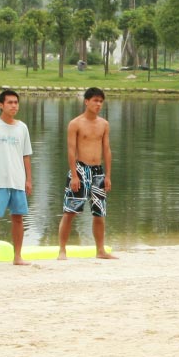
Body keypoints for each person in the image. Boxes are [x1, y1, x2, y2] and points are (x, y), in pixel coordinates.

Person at [58, 87, 116, 259]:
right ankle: (62, 250)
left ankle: (100, 250)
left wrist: (108, 175)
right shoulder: (75, 123)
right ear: (86, 101)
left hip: (98, 171)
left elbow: (107, 150)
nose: (98, 104)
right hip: (80, 169)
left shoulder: (104, 124)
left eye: (101, 101)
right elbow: (70, 151)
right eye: (95, 101)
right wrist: (74, 175)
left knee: (99, 212)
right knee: (70, 211)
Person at [0, 89, 33, 268]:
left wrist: (28, 180)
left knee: (18, 218)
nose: (13, 106)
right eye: (10, 102)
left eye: (16, 102)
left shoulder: (22, 127)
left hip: (17, 180)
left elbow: (26, 155)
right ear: (1, 105)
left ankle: (17, 256)